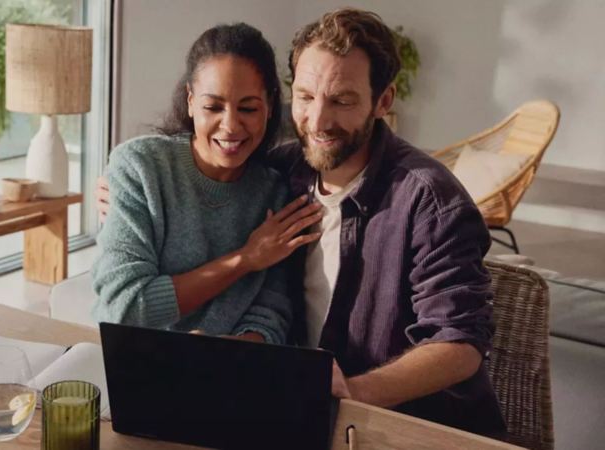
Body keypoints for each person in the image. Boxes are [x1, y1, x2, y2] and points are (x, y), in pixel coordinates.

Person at [97, 9, 506, 436]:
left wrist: (355, 390)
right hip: (301, 414)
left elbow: (460, 344)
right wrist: (118, 196)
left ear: (383, 101)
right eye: (307, 97)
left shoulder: (430, 200)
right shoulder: (285, 172)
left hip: (411, 427)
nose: (317, 121)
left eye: (342, 100)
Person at [91, 23, 323, 345]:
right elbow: (124, 307)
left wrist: (227, 354)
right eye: (213, 107)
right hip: (130, 360)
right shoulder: (139, 167)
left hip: (229, 370)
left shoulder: (275, 192)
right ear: (190, 101)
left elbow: (272, 311)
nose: (230, 126)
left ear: (269, 106)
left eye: (248, 108)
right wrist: (246, 258)